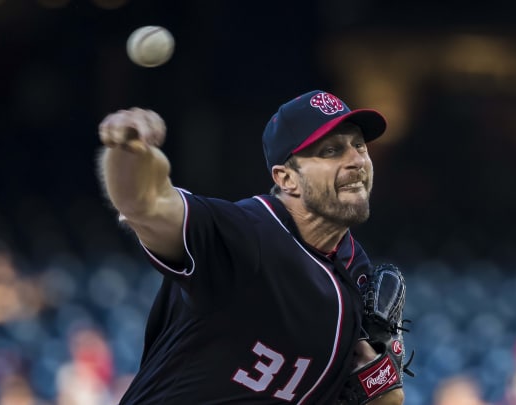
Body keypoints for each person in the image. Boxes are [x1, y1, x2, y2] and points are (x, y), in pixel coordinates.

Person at [96, 90, 404, 404]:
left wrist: (381, 378)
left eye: (359, 146)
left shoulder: (357, 272)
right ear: (286, 179)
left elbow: (385, 400)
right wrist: (128, 152)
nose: (356, 160)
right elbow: (146, 203)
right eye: (330, 151)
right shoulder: (246, 233)